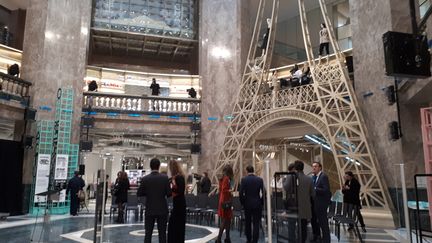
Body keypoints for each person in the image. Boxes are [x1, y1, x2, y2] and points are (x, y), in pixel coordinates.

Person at [137, 158, 172, 243]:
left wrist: (148, 193)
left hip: (150, 208)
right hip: (162, 209)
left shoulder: (145, 179)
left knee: (148, 234)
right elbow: (169, 193)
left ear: (150, 166)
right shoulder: (164, 178)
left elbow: (139, 193)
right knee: (162, 234)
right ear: (159, 166)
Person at [284, 161, 315, 243]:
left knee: (291, 226)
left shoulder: (291, 176)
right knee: (303, 227)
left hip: (293, 206)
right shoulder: (309, 179)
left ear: (295, 168)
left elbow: (286, 187)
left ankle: (292, 241)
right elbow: (313, 194)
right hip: (305, 207)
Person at [239, 165, 264, 243]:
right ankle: (255, 240)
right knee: (256, 223)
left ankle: (249, 240)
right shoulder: (260, 180)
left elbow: (240, 193)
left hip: (247, 204)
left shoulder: (244, 180)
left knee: (248, 222)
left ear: (247, 171)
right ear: (253, 171)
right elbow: (264, 192)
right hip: (257, 203)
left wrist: (243, 202)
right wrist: (261, 201)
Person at [310, 162, 331, 243]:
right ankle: (323, 239)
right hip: (317, 203)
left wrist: (315, 188)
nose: (314, 168)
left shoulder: (323, 176)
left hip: (322, 204)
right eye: (313, 166)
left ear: (320, 168)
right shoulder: (315, 177)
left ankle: (326, 240)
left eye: (315, 166)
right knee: (320, 223)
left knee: (323, 223)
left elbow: (326, 190)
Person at [167, 160, 186, 243]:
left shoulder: (179, 177)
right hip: (177, 204)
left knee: (176, 225)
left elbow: (180, 191)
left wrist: (172, 188)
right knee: (175, 225)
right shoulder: (176, 178)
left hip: (180, 205)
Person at [215, 165, 234, 243]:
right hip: (226, 201)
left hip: (223, 200)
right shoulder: (226, 178)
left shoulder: (222, 178)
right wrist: (231, 191)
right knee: (225, 220)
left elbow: (220, 189)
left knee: (228, 220)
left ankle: (227, 238)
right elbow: (224, 190)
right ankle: (219, 239)